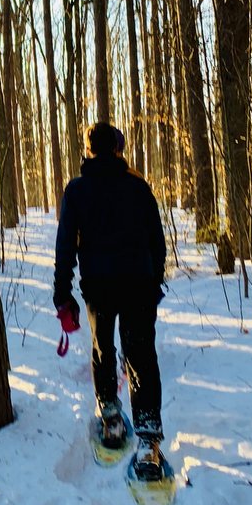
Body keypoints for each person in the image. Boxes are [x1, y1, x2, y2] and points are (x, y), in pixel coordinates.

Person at [53, 121, 168, 477]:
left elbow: (65, 247)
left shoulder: (77, 191)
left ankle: (112, 419)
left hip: (99, 286)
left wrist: (63, 293)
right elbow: (157, 241)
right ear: (117, 149)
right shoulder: (138, 187)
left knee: (103, 349)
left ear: (88, 151)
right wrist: (155, 281)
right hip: (138, 284)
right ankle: (148, 439)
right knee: (141, 355)